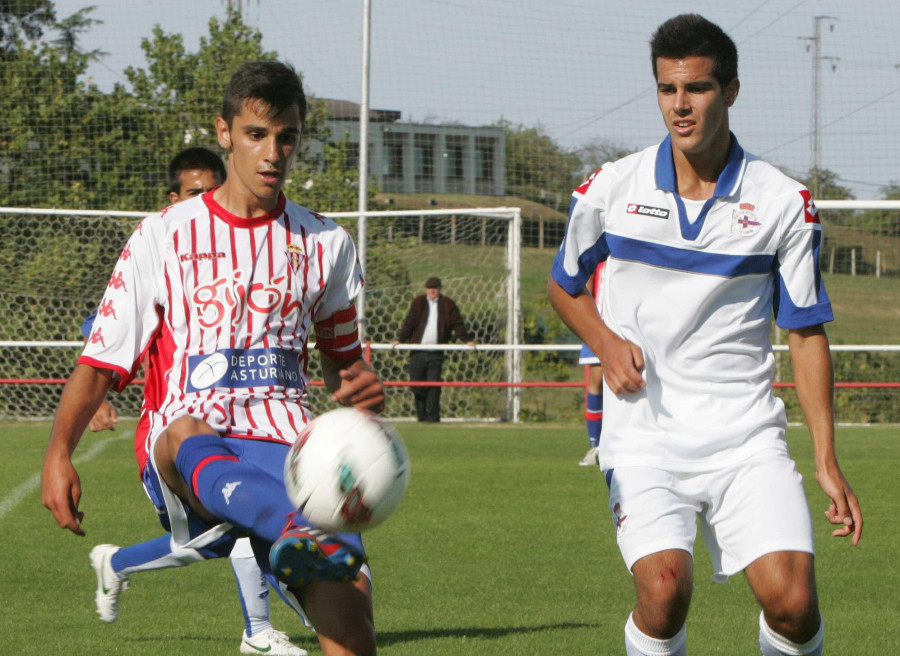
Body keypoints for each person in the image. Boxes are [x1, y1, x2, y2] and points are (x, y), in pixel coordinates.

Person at [42, 61, 384, 656]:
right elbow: (100, 361)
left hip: (290, 450)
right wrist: (58, 453)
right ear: (225, 133)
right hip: (191, 446)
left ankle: (292, 535)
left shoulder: (327, 244)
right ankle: (287, 529)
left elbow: (343, 359)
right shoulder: (163, 235)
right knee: (184, 430)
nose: (272, 153)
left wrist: (358, 390)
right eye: (257, 134)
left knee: (352, 623)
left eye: (287, 138)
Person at [547, 14, 862, 656]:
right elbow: (563, 284)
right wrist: (606, 344)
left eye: (697, 88)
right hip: (643, 437)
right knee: (663, 593)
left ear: (732, 90)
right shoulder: (614, 187)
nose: (680, 106)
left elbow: (804, 333)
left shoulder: (784, 204)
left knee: (795, 605)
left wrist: (826, 461)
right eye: (667, 90)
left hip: (744, 437)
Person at [79, 146, 304, 656]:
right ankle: (116, 565)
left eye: (212, 191)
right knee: (235, 529)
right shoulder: (161, 253)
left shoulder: (238, 260)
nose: (205, 202)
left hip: (231, 424)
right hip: (168, 434)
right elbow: (100, 334)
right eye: (194, 192)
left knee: (249, 518)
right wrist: (96, 400)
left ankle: (258, 632)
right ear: (174, 198)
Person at [392, 276, 474, 422]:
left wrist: (467, 340)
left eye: (435, 288)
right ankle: (421, 417)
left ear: (440, 289)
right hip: (417, 352)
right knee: (416, 385)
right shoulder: (418, 303)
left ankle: (433, 418)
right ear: (426, 289)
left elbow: (457, 323)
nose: (432, 291)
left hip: (436, 352)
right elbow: (409, 322)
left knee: (434, 385)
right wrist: (400, 339)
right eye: (430, 288)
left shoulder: (448, 304)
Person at [577, 262, 605, 467]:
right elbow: (585, 286)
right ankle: (595, 444)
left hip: (627, 322)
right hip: (600, 324)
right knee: (597, 379)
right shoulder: (599, 250)